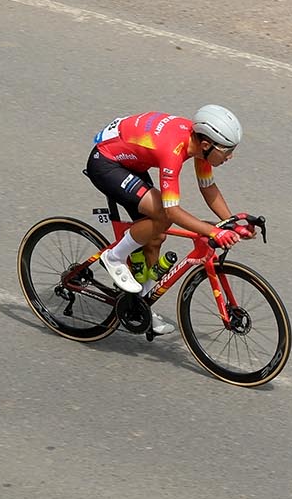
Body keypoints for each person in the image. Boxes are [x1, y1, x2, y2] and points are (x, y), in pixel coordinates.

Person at [83, 105, 249, 335]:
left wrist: (232, 223)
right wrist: (214, 232)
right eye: (228, 150)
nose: (231, 156)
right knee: (162, 216)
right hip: (107, 163)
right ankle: (113, 257)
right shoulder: (173, 150)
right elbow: (172, 212)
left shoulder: (200, 148)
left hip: (130, 162)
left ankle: (142, 304)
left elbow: (208, 188)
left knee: (156, 236)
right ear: (206, 144)